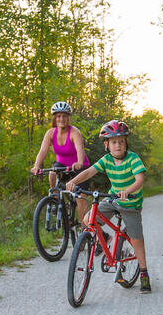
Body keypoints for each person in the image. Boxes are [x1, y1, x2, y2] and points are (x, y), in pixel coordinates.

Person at [65, 120, 152, 293]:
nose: (117, 145)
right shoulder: (106, 159)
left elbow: (140, 180)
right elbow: (90, 171)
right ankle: (104, 238)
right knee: (88, 218)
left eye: (121, 141)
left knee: (136, 239)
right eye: (113, 142)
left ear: (126, 142)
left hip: (131, 203)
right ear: (107, 145)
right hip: (112, 199)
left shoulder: (133, 158)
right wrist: (73, 181)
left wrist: (128, 191)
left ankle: (143, 273)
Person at [31, 101, 91, 220]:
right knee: (53, 173)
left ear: (68, 118)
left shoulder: (74, 132)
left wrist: (79, 162)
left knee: (80, 200)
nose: (61, 119)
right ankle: (55, 196)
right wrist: (36, 165)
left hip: (80, 167)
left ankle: (85, 230)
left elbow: (80, 149)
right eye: (58, 116)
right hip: (63, 166)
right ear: (54, 118)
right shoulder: (50, 133)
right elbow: (43, 151)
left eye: (64, 116)